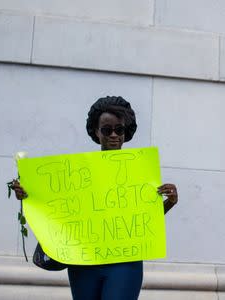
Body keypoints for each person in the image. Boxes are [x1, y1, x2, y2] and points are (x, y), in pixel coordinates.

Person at [11, 96, 178, 300]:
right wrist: (27, 193)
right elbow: (53, 205)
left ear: (127, 132)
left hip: (124, 263)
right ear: (96, 132)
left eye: (120, 129)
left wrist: (169, 202)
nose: (114, 135)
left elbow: (141, 219)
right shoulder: (76, 173)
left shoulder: (139, 172)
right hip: (83, 262)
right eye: (107, 130)